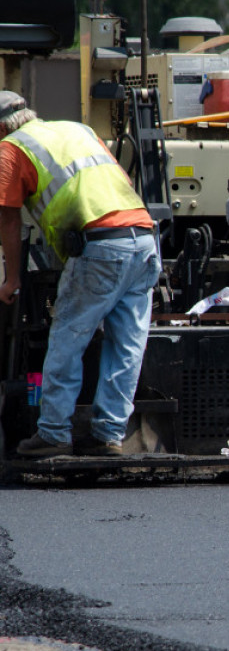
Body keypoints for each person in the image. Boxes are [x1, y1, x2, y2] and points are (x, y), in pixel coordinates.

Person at [0, 91, 160, 457]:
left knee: (68, 339)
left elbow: (7, 217)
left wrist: (12, 279)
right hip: (143, 240)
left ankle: (54, 432)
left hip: (100, 248)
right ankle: (109, 435)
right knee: (127, 346)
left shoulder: (10, 148)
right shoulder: (80, 130)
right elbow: (119, 181)